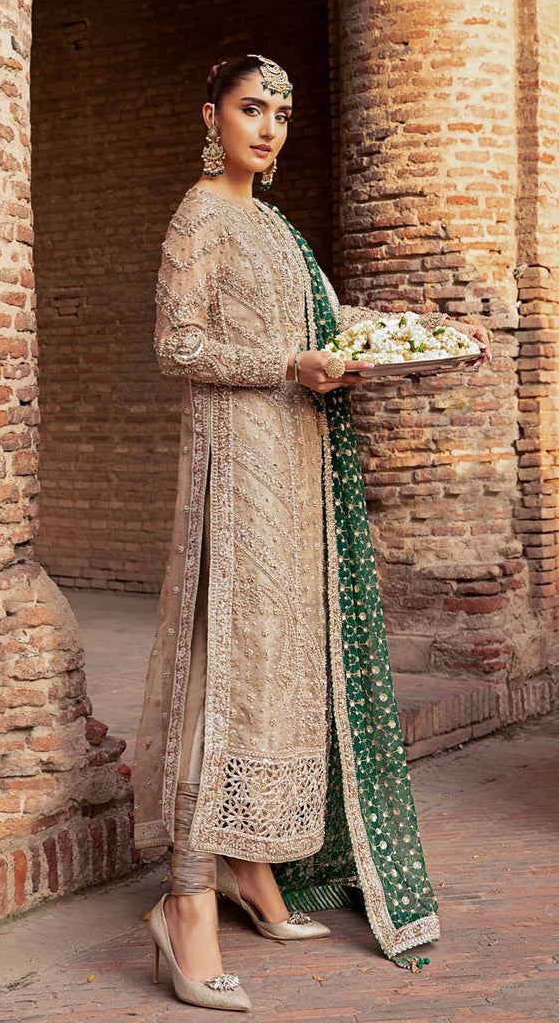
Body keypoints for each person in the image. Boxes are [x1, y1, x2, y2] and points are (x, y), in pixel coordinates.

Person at [131, 53, 492, 1013]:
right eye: (252, 108)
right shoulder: (202, 215)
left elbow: (324, 328)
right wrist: (287, 367)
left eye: (281, 114)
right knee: (228, 667)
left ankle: (251, 869)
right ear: (211, 115)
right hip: (236, 472)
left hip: (297, 469)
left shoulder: (274, 225)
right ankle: (187, 899)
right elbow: (178, 344)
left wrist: (420, 335)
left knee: (281, 666)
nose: (268, 128)